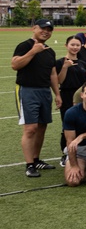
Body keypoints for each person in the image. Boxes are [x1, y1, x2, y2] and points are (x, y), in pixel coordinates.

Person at [12, 19, 61, 178]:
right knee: (30, 128)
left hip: (44, 91)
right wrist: (33, 51)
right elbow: (15, 65)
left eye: (49, 29)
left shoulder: (50, 50)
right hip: (27, 90)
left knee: (41, 127)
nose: (46, 32)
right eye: (43, 28)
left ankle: (36, 159)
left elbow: (53, 74)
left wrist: (57, 94)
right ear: (34, 28)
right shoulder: (25, 45)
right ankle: (29, 165)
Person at [56, 38, 86, 166]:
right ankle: (66, 153)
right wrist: (65, 67)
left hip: (81, 95)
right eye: (72, 45)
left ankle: (82, 152)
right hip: (67, 95)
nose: (75, 47)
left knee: (82, 123)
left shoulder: (83, 63)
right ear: (66, 45)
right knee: (67, 125)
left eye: (77, 45)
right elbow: (59, 81)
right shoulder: (60, 62)